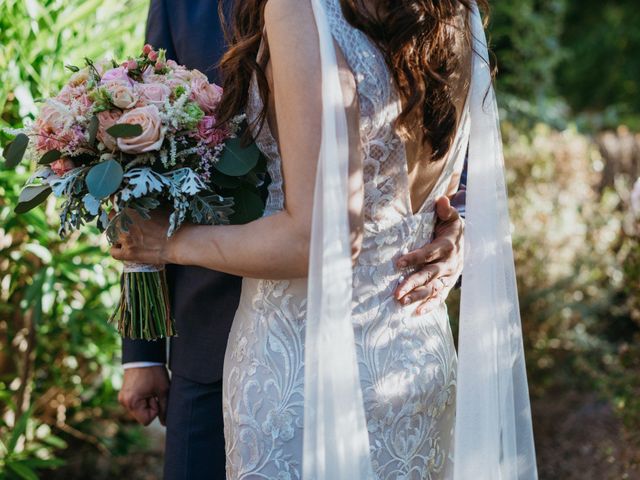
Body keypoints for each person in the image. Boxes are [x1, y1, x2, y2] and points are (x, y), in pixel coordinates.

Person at [116, 0, 469, 478]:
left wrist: (455, 227)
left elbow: (446, 166)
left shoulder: (301, 10)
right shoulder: (457, 11)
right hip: (217, 334)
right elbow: (144, 168)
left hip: (289, 355)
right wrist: (142, 349)